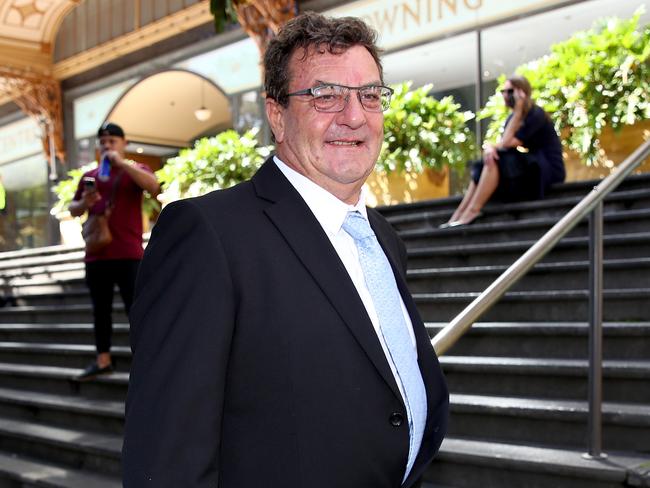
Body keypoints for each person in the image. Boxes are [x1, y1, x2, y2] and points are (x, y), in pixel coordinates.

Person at [123, 12, 448, 488]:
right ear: (277, 115)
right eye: (326, 95)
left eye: (370, 95)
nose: (354, 115)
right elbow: (167, 457)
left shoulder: (383, 239)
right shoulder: (207, 235)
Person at [69, 122, 159, 380]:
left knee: (138, 309)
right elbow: (73, 209)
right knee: (101, 310)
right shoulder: (90, 176)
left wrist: (122, 164)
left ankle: (146, 360)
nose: (107, 146)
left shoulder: (134, 170)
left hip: (129, 254)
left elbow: (153, 186)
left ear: (123, 143)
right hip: (97, 255)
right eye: (103, 142)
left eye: (112, 141)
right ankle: (103, 359)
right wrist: (83, 202)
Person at [442, 75, 565, 227]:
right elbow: (503, 143)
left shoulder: (536, 114)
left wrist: (519, 111)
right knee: (486, 162)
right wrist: (490, 148)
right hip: (532, 164)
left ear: (522, 92)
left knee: (498, 156)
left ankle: (473, 210)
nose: (506, 95)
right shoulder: (512, 118)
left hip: (548, 168)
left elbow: (506, 143)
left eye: (510, 91)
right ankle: (460, 212)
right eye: (503, 91)